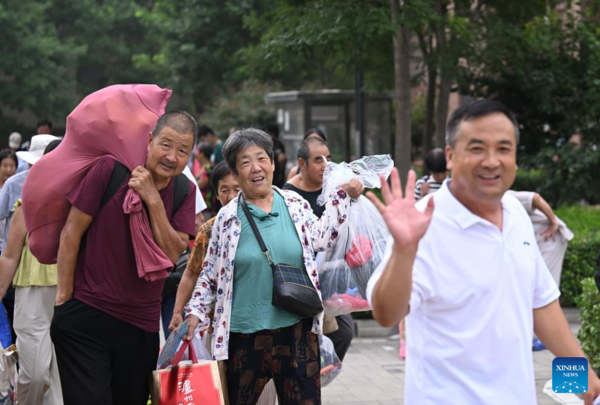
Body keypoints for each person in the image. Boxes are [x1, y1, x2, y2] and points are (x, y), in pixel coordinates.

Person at [366, 99, 600, 404]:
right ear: (450, 156)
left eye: (503, 149)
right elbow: (386, 313)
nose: (491, 161)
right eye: (476, 148)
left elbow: (541, 308)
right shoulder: (422, 224)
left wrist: (588, 387)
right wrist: (404, 250)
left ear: (515, 158)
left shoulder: (515, 214)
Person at [184, 128, 363, 405]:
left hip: (297, 332)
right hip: (243, 337)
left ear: (272, 162)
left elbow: (322, 237)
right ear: (235, 171)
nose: (256, 168)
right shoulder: (227, 219)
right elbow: (209, 275)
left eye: (261, 158)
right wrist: (194, 312)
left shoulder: (294, 204)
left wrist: (341, 196)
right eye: (245, 162)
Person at [49, 111, 197, 405]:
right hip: (86, 314)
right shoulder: (111, 170)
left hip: (140, 324)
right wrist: (64, 299)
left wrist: (152, 199)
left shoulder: (184, 190)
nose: (171, 156)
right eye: (166, 145)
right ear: (151, 140)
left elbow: (172, 253)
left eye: (182, 151)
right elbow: (71, 232)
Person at [0, 139, 63, 405]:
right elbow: (10, 256)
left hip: (69, 298)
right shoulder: (25, 206)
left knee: (59, 386)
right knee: (35, 375)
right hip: (31, 296)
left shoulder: (80, 207)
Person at [283, 137, 353, 361]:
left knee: (344, 332)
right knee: (311, 336)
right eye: (318, 160)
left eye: (329, 158)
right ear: (302, 164)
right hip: (306, 280)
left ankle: (319, 376)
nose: (326, 165)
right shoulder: (290, 196)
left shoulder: (335, 186)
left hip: (334, 275)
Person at [0, 149, 18, 252]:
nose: (8, 170)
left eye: (12, 166)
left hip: (10, 247)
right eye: (5, 166)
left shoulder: (19, 188)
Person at [193, 142, 217, 217]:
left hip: (207, 208)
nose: (196, 154)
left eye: (198, 152)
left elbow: (203, 182)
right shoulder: (207, 167)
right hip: (205, 207)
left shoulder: (208, 168)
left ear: (202, 154)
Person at [264, 123, 287, 188]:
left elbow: (282, 158)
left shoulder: (276, 143)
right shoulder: (268, 143)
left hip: (276, 175)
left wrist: (280, 173)